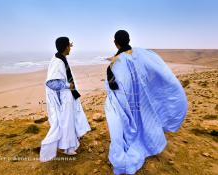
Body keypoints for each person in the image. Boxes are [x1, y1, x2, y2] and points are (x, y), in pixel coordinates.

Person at [104, 30, 187, 174]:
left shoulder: (113, 64)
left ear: (115, 43)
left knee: (132, 123)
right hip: (143, 99)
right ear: (129, 39)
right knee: (146, 120)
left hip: (128, 102)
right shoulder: (143, 54)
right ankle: (151, 142)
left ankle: (134, 142)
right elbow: (156, 70)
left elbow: (113, 87)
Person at [40, 37, 91, 162]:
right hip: (64, 98)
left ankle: (71, 142)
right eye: (69, 46)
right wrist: (68, 85)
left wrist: (67, 44)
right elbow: (51, 83)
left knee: (71, 120)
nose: (70, 48)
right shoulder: (58, 62)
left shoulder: (60, 57)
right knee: (66, 122)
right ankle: (67, 148)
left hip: (68, 96)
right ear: (65, 47)